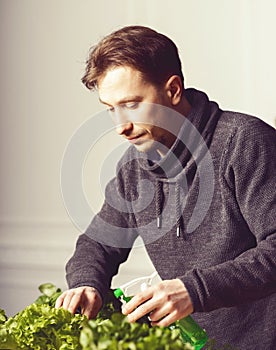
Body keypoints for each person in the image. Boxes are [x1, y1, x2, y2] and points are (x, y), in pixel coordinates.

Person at [55, 26, 276, 349]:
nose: (121, 127)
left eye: (131, 105)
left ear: (173, 90)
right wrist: (87, 284)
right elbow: (97, 244)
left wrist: (194, 291)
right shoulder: (134, 166)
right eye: (111, 109)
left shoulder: (245, 141)